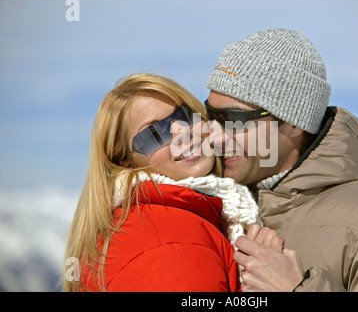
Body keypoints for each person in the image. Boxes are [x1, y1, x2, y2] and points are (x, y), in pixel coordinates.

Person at [205, 28, 358, 291]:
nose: (214, 136)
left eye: (234, 119)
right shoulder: (210, 205)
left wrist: (298, 289)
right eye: (210, 114)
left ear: (294, 123)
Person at [63, 73, 262, 291]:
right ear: (126, 161)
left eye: (185, 116)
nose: (182, 133)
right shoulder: (172, 240)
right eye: (155, 134)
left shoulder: (167, 218)